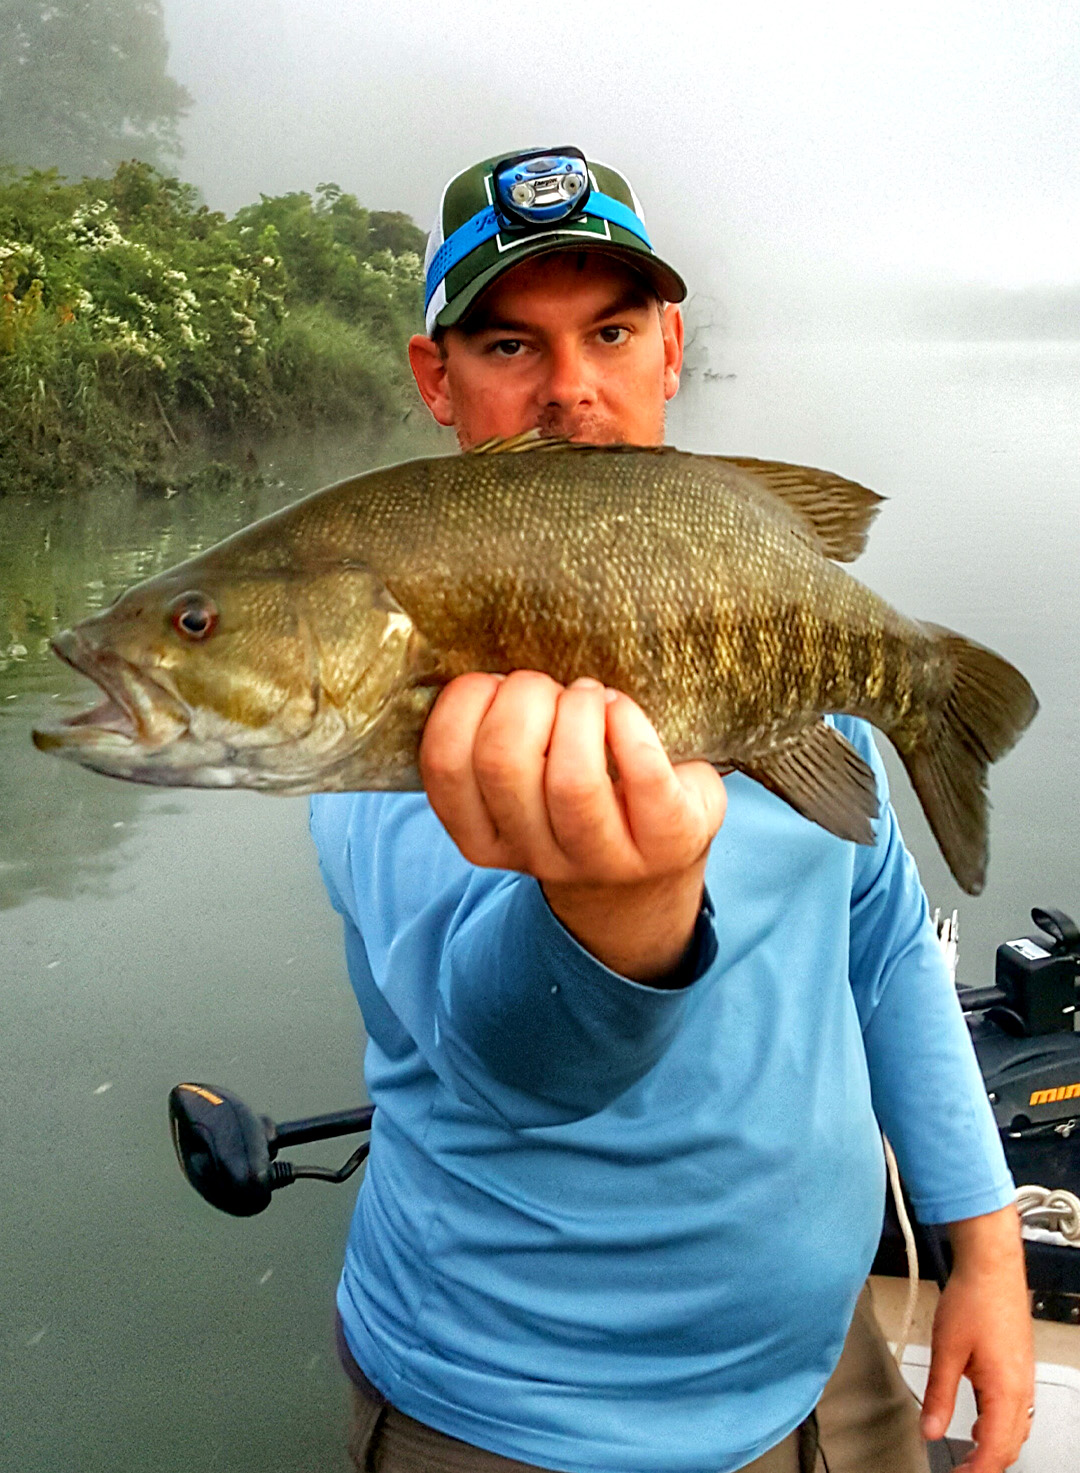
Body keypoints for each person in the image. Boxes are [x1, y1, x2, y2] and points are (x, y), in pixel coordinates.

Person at [310, 148, 1034, 1473]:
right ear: (436, 379)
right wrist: (621, 907)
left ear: (671, 349)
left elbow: (879, 946)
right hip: (510, 1419)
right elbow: (514, 1065)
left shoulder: (758, 606)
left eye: (613, 331)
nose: (571, 388)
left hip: (829, 1376)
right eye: (510, 344)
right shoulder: (400, 708)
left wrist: (983, 1241)